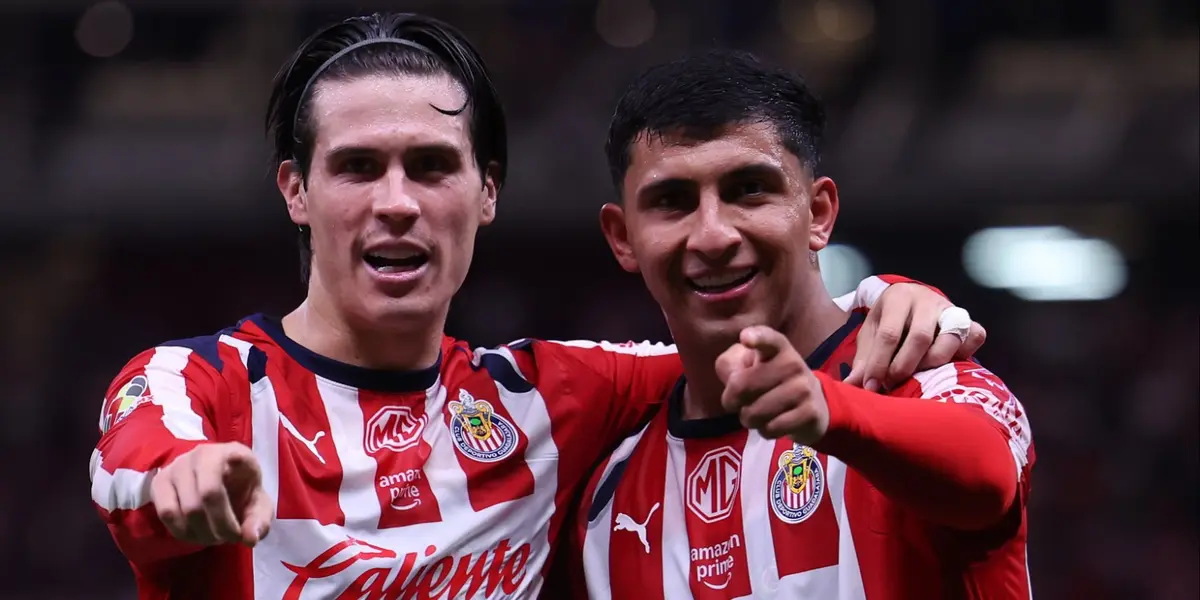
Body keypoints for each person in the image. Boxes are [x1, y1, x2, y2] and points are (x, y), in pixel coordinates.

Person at [87, 14, 986, 599]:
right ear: (297, 190)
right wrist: (179, 481)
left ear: (486, 194)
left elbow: (756, 341)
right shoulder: (198, 385)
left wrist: (892, 297)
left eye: (431, 166)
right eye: (358, 167)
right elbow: (131, 473)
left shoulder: (549, 401)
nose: (396, 202)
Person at [564, 50, 1034, 599]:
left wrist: (828, 410)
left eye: (749, 190)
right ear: (623, 238)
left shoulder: (925, 373)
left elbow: (987, 475)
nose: (713, 236)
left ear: (818, 213)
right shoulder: (603, 504)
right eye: (672, 201)